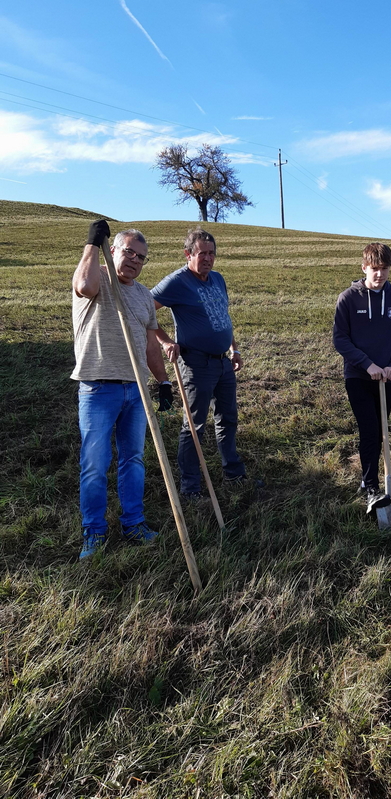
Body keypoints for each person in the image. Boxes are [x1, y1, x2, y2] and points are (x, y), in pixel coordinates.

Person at [71, 220, 173, 560]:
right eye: (128, 251)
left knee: (134, 460)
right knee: (95, 464)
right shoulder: (98, 275)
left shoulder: (144, 295)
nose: (134, 260)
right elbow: (83, 286)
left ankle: (133, 523)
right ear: (113, 250)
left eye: (141, 257)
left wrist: (163, 382)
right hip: (98, 386)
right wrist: (91, 242)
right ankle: (95, 533)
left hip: (136, 390)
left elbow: (150, 345)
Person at [150, 229, 247, 497]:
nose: (207, 258)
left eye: (212, 253)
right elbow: (144, 308)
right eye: (202, 253)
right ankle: (190, 487)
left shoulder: (217, 279)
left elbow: (223, 317)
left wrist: (234, 349)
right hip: (195, 364)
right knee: (194, 426)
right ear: (188, 254)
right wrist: (166, 341)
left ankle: (234, 474)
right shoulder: (177, 282)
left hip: (223, 364)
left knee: (227, 419)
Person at [333, 242, 391, 514]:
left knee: (381, 432)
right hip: (358, 376)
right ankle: (371, 487)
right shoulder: (348, 299)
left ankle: (371, 482)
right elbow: (340, 340)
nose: (379, 275)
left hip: (386, 378)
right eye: (375, 269)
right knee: (369, 430)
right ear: (364, 267)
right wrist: (367, 364)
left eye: (385, 269)